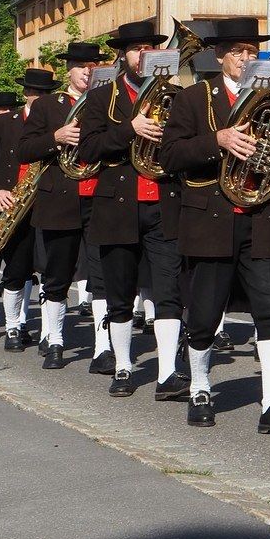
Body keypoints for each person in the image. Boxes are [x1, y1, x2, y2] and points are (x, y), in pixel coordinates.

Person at [158, 18, 270, 435]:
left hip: (260, 218)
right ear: (220, 56)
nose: (245, 58)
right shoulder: (193, 98)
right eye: (237, 51)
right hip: (210, 220)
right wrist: (217, 141)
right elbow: (170, 156)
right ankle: (200, 388)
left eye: (251, 51)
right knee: (205, 314)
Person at [77, 20, 184, 397]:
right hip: (117, 207)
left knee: (169, 292)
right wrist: (129, 129)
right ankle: (123, 367)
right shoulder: (100, 97)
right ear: (123, 55)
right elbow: (88, 149)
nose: (144, 54)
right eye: (137, 49)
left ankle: (168, 373)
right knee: (120, 293)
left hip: (163, 203)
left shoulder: (175, 95)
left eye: (150, 48)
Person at [17, 41, 106, 369]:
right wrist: (55, 137)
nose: (87, 72)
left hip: (100, 198)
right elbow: (25, 150)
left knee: (102, 277)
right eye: (82, 67)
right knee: (57, 274)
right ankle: (54, 339)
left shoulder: (106, 102)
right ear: (69, 70)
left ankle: (103, 348)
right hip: (60, 199)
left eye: (93, 66)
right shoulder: (47, 105)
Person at [0, 82, 47, 350]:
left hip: (39, 205)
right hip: (6, 203)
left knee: (23, 269)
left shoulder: (53, 123)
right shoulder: (4, 123)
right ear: (26, 95)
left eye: (45, 93)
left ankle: (18, 325)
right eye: (36, 93)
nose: (40, 98)